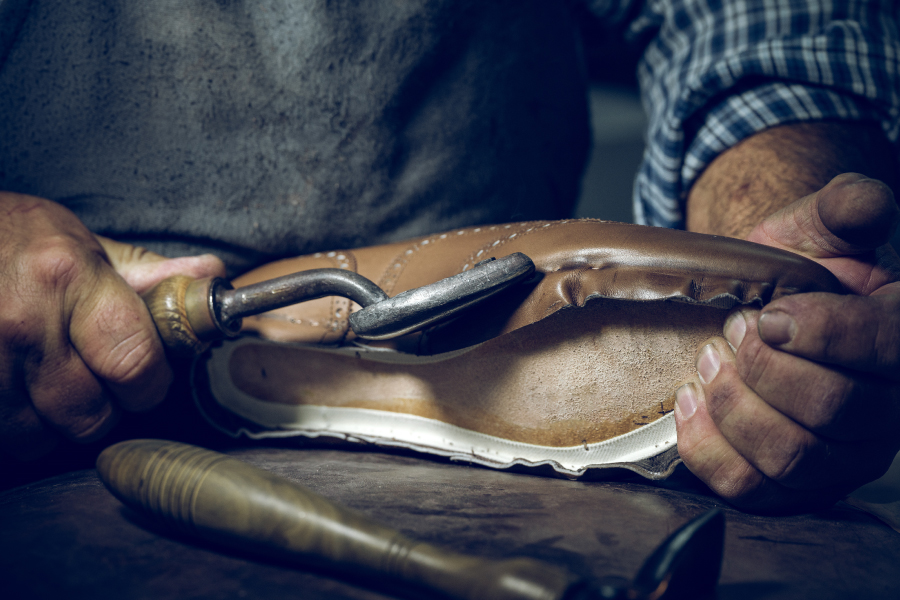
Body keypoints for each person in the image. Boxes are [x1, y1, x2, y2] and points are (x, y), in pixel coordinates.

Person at [1, 0, 898, 512]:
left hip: (464, 295)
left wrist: (762, 219)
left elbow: (734, 17)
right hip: (63, 358)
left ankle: (437, 354)